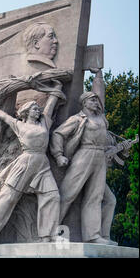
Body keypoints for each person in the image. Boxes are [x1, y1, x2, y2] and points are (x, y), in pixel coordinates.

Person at [0, 81, 64, 245]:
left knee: (52, 195)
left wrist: (58, 87)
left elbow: (51, 103)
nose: (37, 110)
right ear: (26, 112)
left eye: (37, 109)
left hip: (42, 163)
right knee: (9, 196)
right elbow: (4, 116)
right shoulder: (18, 125)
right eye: (34, 109)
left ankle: (50, 234)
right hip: (25, 162)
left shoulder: (45, 123)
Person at [50, 67, 117, 245]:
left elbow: (100, 93)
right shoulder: (77, 119)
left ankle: (93, 236)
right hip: (84, 155)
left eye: (97, 101)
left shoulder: (101, 117)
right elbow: (58, 134)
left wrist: (98, 75)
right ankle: (50, 230)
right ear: (85, 103)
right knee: (67, 193)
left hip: (100, 157)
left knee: (95, 197)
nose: (96, 102)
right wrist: (58, 155)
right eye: (92, 100)